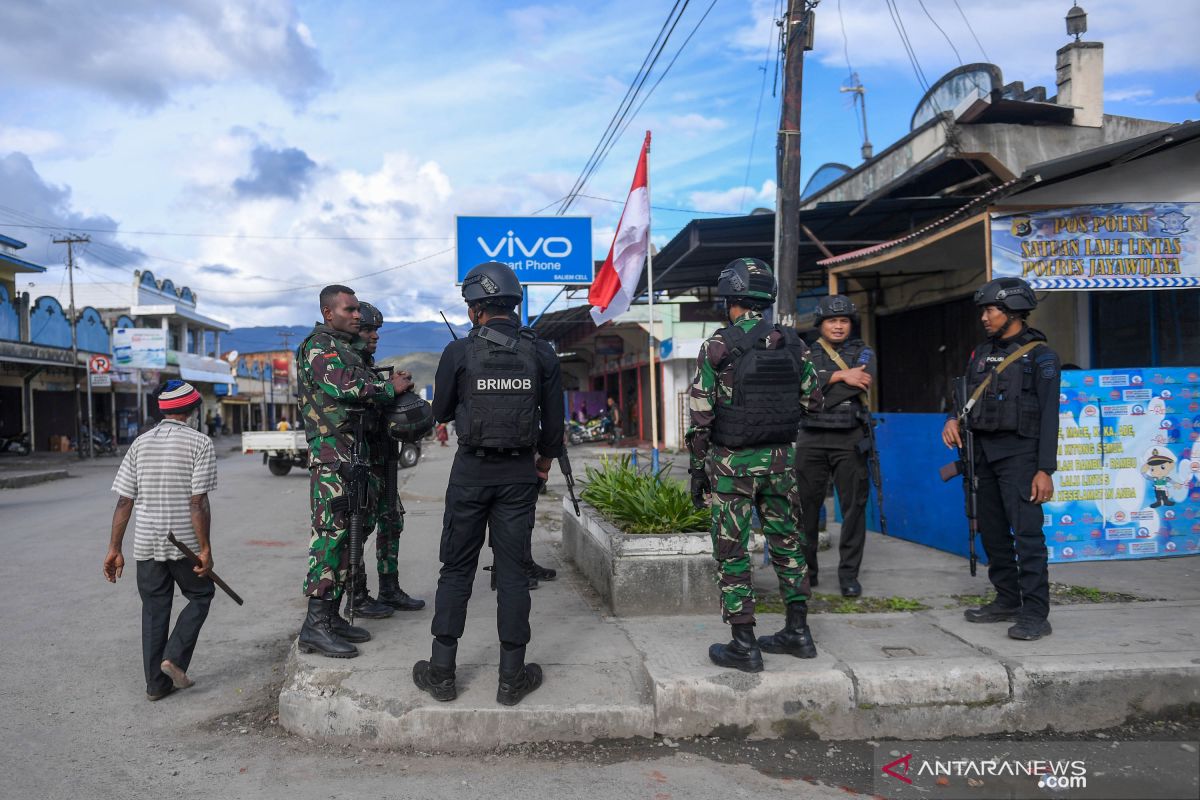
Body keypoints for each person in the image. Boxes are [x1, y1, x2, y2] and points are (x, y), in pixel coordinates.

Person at [413, 261, 563, 705]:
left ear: (476, 309)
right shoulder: (541, 351)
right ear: (513, 305)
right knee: (514, 573)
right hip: (519, 474)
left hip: (470, 474)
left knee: (456, 570)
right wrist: (542, 466)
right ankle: (511, 679)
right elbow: (554, 425)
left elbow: (438, 412)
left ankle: (442, 674)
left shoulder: (458, 353)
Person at [686, 257, 823, 672]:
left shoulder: (717, 346)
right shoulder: (796, 344)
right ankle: (798, 632)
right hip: (781, 464)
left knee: (733, 552)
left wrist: (698, 470)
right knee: (788, 544)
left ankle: (744, 643)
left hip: (732, 466)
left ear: (731, 297)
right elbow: (812, 402)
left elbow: (700, 416)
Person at [295, 285, 412, 658]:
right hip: (333, 454)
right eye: (350, 309)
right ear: (329, 312)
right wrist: (387, 386)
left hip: (351, 454)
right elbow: (346, 387)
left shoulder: (343, 347)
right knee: (330, 537)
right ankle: (315, 624)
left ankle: (330, 617)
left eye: (358, 309)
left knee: (349, 535)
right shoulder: (319, 345)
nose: (358, 315)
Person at [941, 277, 1060, 642]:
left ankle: (1036, 613)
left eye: (990, 310)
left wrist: (1045, 469)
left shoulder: (1041, 356)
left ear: (1012, 312)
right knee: (992, 533)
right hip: (982, 455)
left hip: (1021, 456)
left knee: (1026, 535)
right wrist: (950, 417)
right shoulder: (980, 352)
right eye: (984, 311)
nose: (984, 317)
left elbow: (1049, 415)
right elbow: (964, 393)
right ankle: (1007, 599)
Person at [103, 380, 217, 700]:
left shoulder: (140, 444)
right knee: (201, 594)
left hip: (145, 544)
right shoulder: (200, 443)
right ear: (191, 411)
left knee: (154, 609)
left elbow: (125, 501)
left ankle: (156, 685)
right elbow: (198, 503)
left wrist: (115, 548)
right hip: (183, 542)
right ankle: (175, 658)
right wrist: (205, 549)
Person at [794, 295, 876, 597]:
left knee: (854, 509)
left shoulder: (863, 352)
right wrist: (842, 375)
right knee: (805, 510)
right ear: (821, 324)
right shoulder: (804, 351)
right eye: (832, 320)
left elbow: (861, 381)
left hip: (850, 437)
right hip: (810, 439)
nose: (838, 326)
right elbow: (798, 384)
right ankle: (808, 573)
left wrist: (819, 388)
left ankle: (848, 577)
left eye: (843, 321)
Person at [353, 301, 424, 615]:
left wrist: (399, 389)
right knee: (359, 528)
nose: (374, 336)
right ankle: (357, 594)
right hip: (361, 461)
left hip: (385, 458)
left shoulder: (367, 365)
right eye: (368, 329)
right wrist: (386, 388)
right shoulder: (347, 364)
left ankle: (390, 588)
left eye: (376, 330)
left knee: (392, 521)